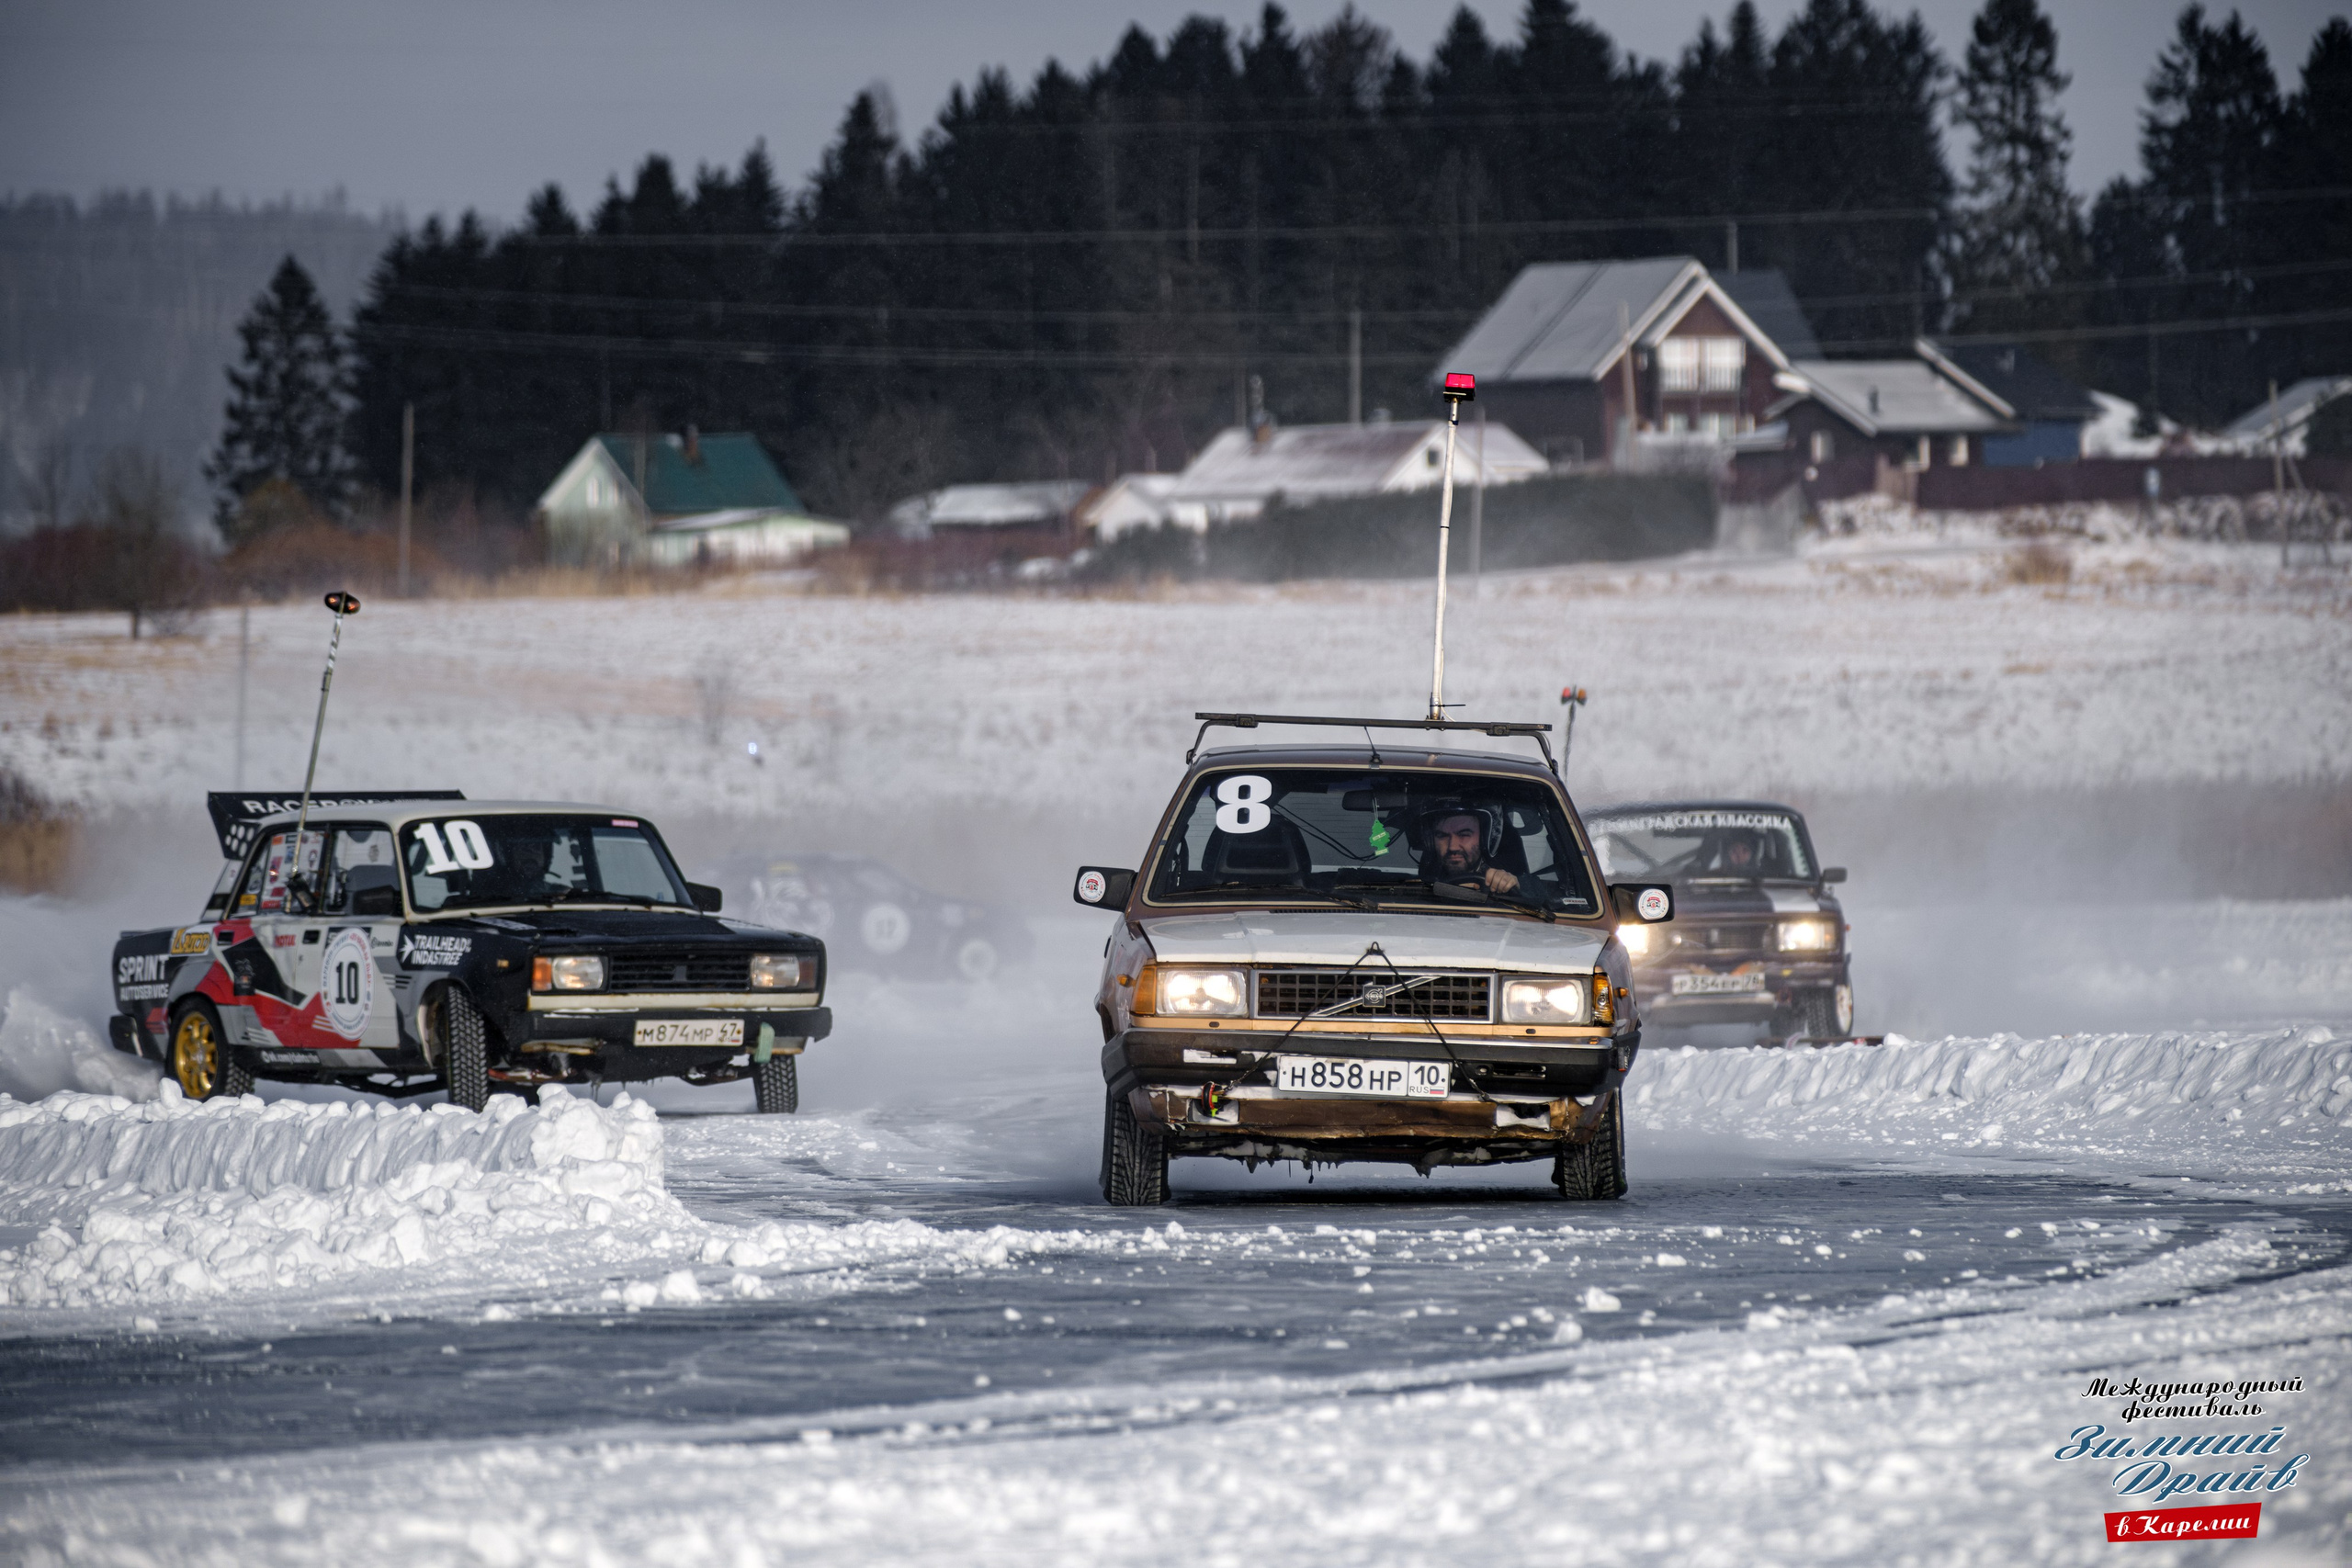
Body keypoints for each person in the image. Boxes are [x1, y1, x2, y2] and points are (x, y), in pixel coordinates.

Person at [1415, 802, 1534, 899]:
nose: (1453, 847)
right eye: (1442, 836)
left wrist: (1516, 885)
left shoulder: (1500, 879)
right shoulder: (1416, 886)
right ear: (1430, 841)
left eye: (1464, 835)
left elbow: (1544, 895)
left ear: (1484, 838)